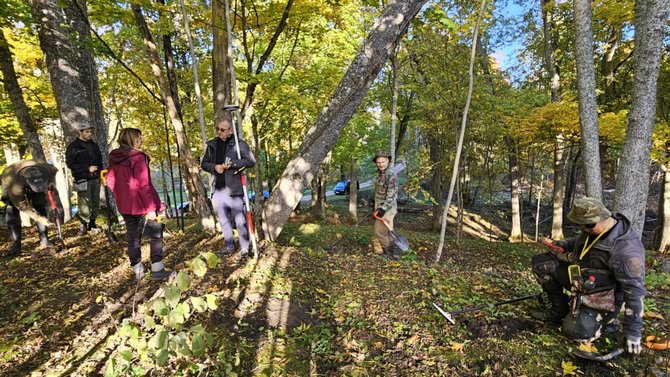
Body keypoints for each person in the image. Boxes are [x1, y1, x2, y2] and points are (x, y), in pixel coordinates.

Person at [531, 197, 646, 355]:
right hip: (580, 280)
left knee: (576, 331)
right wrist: (565, 245)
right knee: (542, 264)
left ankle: (608, 321)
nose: (583, 229)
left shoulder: (626, 251)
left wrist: (633, 333)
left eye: (587, 226)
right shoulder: (592, 229)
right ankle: (559, 311)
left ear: (599, 219)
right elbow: (581, 241)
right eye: (580, 225)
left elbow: (635, 292)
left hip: (602, 295)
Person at [107, 128, 174, 281]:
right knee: (156, 233)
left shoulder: (115, 157)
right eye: (139, 137)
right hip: (141, 204)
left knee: (133, 237)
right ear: (132, 139)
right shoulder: (138, 157)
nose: (141, 140)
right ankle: (157, 268)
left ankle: (138, 272)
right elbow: (143, 185)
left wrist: (121, 193)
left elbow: (110, 181)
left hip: (124, 204)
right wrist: (151, 208)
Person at [201, 119, 256, 258]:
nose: (219, 132)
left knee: (239, 220)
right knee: (224, 221)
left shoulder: (239, 144)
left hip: (234, 189)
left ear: (230, 131)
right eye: (218, 129)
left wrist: (233, 164)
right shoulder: (213, 145)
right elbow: (204, 164)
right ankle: (229, 246)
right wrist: (214, 167)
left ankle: (244, 248)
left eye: (222, 130)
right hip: (218, 190)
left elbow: (251, 161)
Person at [1, 160, 63, 256]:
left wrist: (51, 182)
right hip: (10, 178)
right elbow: (20, 205)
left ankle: (44, 240)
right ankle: (16, 244)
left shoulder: (47, 170)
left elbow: (55, 170)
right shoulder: (14, 182)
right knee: (12, 209)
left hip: (36, 178)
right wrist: (37, 218)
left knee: (39, 205)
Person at [66, 125, 103, 235]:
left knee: (95, 202)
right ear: (80, 132)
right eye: (87, 132)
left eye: (90, 132)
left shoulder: (94, 145)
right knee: (84, 203)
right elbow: (70, 164)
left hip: (96, 178)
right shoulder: (73, 147)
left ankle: (92, 223)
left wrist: (100, 172)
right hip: (82, 179)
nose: (89, 134)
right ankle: (83, 224)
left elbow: (99, 160)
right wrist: (87, 169)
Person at [372, 152, 399, 260]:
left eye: (383, 162)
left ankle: (388, 252)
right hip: (381, 207)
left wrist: (382, 209)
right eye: (378, 162)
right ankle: (395, 252)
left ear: (387, 161)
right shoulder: (380, 173)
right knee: (388, 230)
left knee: (378, 231)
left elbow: (392, 194)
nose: (381, 164)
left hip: (387, 209)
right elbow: (380, 191)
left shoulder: (390, 174)